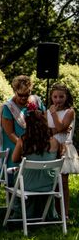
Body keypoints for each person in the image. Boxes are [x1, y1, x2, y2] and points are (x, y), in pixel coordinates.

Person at [12, 102, 60, 219]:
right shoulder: (55, 142)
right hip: (49, 184)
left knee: (15, 174)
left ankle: (19, 212)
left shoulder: (23, 140)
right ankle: (43, 213)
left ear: (28, 124)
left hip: (27, 185)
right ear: (44, 123)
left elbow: (14, 159)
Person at [0, 75, 44, 169]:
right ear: (15, 91)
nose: (23, 98)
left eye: (26, 94)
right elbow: (10, 133)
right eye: (20, 95)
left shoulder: (36, 102)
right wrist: (23, 146)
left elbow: (45, 121)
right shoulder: (8, 107)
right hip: (15, 148)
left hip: (34, 147)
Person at [47, 83, 76, 218]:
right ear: (51, 97)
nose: (58, 100)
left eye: (61, 97)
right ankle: (52, 212)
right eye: (55, 97)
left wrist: (54, 114)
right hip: (51, 148)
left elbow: (59, 128)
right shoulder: (48, 111)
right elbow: (48, 130)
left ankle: (64, 214)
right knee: (51, 182)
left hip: (64, 148)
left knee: (63, 182)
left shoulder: (69, 112)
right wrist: (58, 128)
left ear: (66, 97)